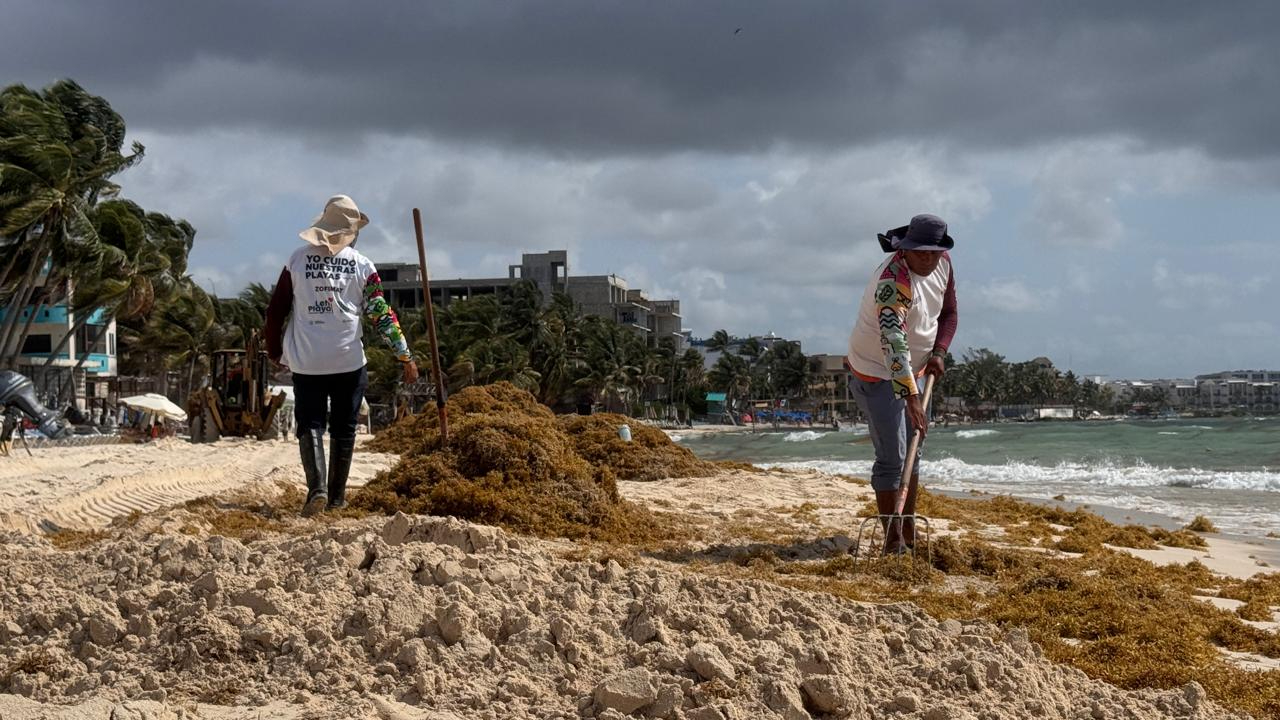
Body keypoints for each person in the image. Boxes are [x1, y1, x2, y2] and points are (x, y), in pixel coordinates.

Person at [265, 195, 419, 516]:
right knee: (344, 427)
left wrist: (274, 351)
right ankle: (336, 499)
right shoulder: (363, 266)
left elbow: (275, 311)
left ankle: (317, 490)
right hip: (348, 360)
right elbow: (381, 315)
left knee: (310, 423)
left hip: (307, 361)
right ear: (352, 233)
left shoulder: (296, 260)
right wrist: (405, 356)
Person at [845, 214, 957, 554]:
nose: (928, 259)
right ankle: (893, 541)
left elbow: (949, 313)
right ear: (906, 250)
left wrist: (939, 352)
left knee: (913, 451)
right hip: (875, 371)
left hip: (918, 370)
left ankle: (908, 533)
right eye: (921, 252)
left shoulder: (943, 265)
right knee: (893, 458)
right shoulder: (892, 282)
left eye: (934, 252)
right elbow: (893, 343)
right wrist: (910, 396)